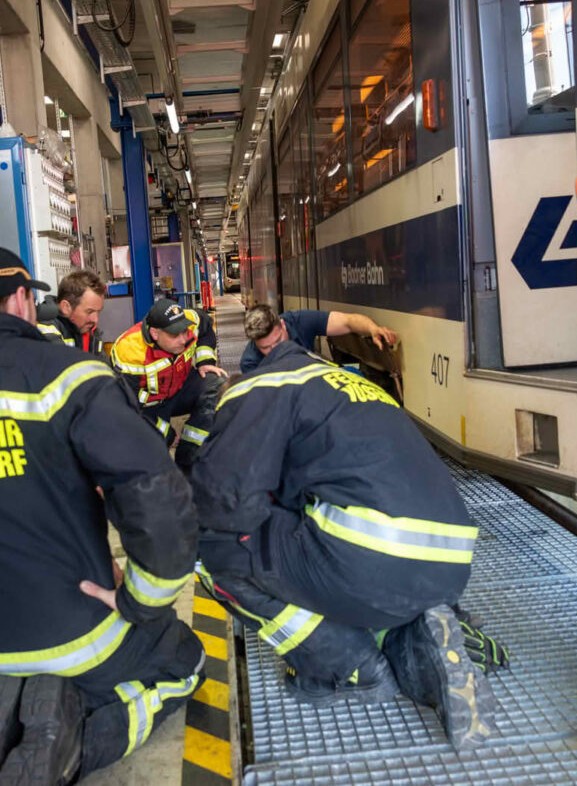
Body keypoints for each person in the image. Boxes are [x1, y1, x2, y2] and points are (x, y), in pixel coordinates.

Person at [0, 246, 203, 785]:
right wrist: (142, 598)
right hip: (72, 630)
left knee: (19, 660)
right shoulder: (70, 376)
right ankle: (68, 752)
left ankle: (1, 715)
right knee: (184, 660)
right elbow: (156, 495)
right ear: (21, 300)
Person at [188, 341, 503, 750]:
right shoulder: (344, 384)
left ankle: (348, 665)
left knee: (211, 550)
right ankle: (421, 639)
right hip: (450, 563)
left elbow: (226, 505)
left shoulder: (251, 393)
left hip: (371, 557)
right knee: (320, 544)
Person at [110, 298, 225, 471]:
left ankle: (189, 461)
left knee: (218, 385)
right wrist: (168, 434)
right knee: (151, 453)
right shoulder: (130, 351)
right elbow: (129, 407)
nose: (182, 339)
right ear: (155, 334)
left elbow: (207, 327)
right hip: (149, 406)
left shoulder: (190, 321)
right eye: (174, 334)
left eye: (184, 332)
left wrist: (205, 361)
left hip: (181, 387)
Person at [240, 304, 399, 373]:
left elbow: (347, 321)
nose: (275, 350)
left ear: (283, 324)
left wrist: (373, 329)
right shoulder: (250, 362)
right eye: (266, 348)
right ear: (255, 344)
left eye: (278, 341)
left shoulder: (299, 321)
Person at [35, 269, 107, 354]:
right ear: (66, 307)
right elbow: (61, 364)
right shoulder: (46, 328)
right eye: (89, 311)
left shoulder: (90, 330)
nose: (95, 320)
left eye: (98, 312)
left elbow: (102, 365)